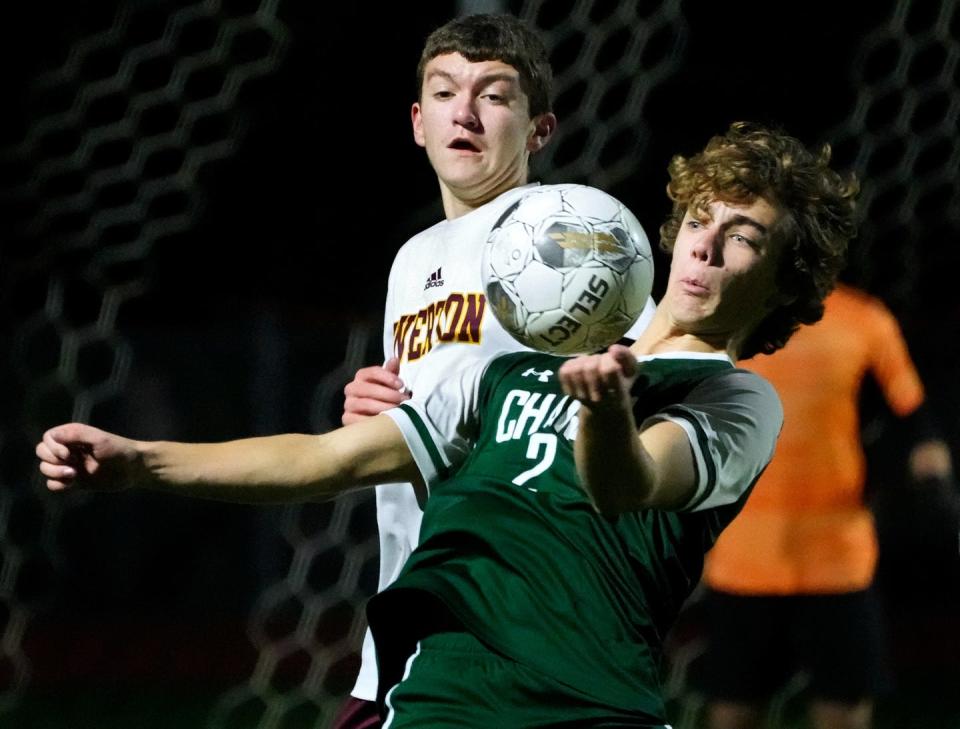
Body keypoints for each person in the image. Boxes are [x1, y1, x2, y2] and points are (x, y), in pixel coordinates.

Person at [37, 122, 858, 727]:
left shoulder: (739, 400)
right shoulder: (510, 368)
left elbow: (630, 483)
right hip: (438, 700)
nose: (707, 246)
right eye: (704, 219)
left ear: (784, 285)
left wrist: (603, 412)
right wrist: (142, 461)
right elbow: (326, 458)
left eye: (743, 236)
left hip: (592, 707)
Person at [338, 13, 657, 725]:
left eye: (494, 95)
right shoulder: (414, 256)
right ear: (418, 121)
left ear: (539, 130)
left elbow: (649, 372)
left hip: (516, 632)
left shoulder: (565, 226)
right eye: (446, 93)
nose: (467, 112)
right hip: (411, 616)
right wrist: (374, 409)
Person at [696, 282, 955, 729]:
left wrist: (930, 468)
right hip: (744, 556)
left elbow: (913, 414)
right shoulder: (726, 316)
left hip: (837, 556)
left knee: (844, 712)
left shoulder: (865, 318)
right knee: (733, 712)